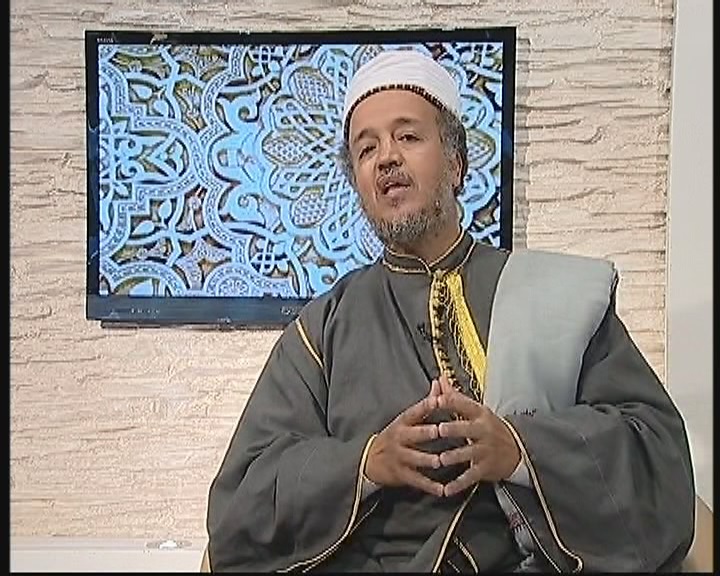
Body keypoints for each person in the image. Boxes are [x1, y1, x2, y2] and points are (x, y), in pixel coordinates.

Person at [205, 49, 696, 572]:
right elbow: (241, 503)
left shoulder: (558, 299)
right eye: (366, 149)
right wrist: (367, 464)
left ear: (456, 164)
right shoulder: (323, 329)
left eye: (408, 137)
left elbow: (656, 456)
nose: (386, 157)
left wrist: (519, 450)